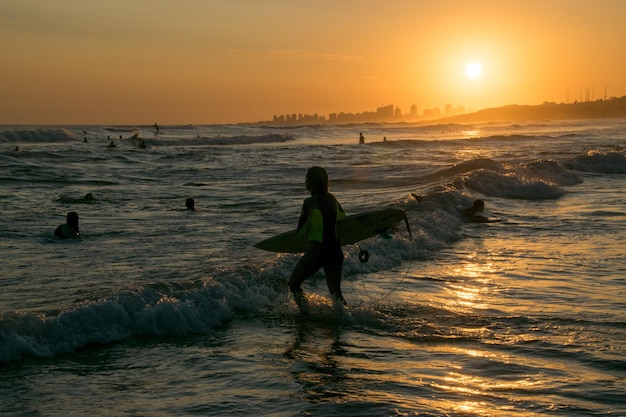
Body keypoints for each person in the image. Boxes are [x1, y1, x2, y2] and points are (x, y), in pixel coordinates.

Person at [288, 167, 347, 310]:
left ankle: (306, 313)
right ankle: (347, 316)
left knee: (294, 284)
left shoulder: (309, 203)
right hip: (335, 251)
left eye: (307, 178)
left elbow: (301, 231)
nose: (305, 181)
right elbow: (344, 220)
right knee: (336, 293)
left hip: (317, 253)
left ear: (312, 182)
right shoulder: (332, 199)